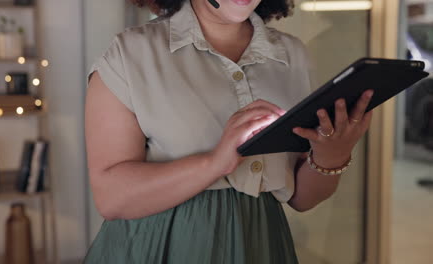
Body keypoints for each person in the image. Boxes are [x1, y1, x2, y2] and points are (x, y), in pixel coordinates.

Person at [84, 0, 373, 262]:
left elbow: (302, 199)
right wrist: (214, 163)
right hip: (161, 245)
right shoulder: (130, 54)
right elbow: (111, 198)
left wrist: (332, 155)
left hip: (262, 244)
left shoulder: (293, 55)